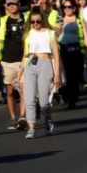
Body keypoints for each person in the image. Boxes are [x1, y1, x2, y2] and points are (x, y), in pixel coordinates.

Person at [19, 8, 61, 138]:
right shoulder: (28, 34)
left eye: (38, 21)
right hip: (30, 65)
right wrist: (20, 74)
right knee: (29, 99)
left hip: (46, 64)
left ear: (43, 19)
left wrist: (57, 74)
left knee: (43, 103)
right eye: (32, 22)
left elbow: (56, 54)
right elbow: (25, 56)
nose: (35, 24)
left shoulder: (50, 33)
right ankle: (31, 129)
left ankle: (48, 119)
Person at [0, 0, 27, 130]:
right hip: (7, 60)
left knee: (23, 90)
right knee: (9, 91)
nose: (11, 6)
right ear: (6, 7)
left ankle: (22, 117)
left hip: (23, 60)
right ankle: (13, 118)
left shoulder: (27, 19)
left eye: (14, 4)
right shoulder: (2, 20)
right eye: (9, 4)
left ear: (19, 4)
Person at [57, 0, 85, 109]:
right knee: (67, 75)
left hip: (76, 48)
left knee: (76, 75)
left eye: (69, 7)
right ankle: (69, 98)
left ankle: (73, 96)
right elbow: (57, 32)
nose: (67, 9)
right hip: (63, 48)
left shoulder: (79, 19)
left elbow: (85, 34)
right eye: (65, 7)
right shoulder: (60, 19)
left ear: (74, 8)